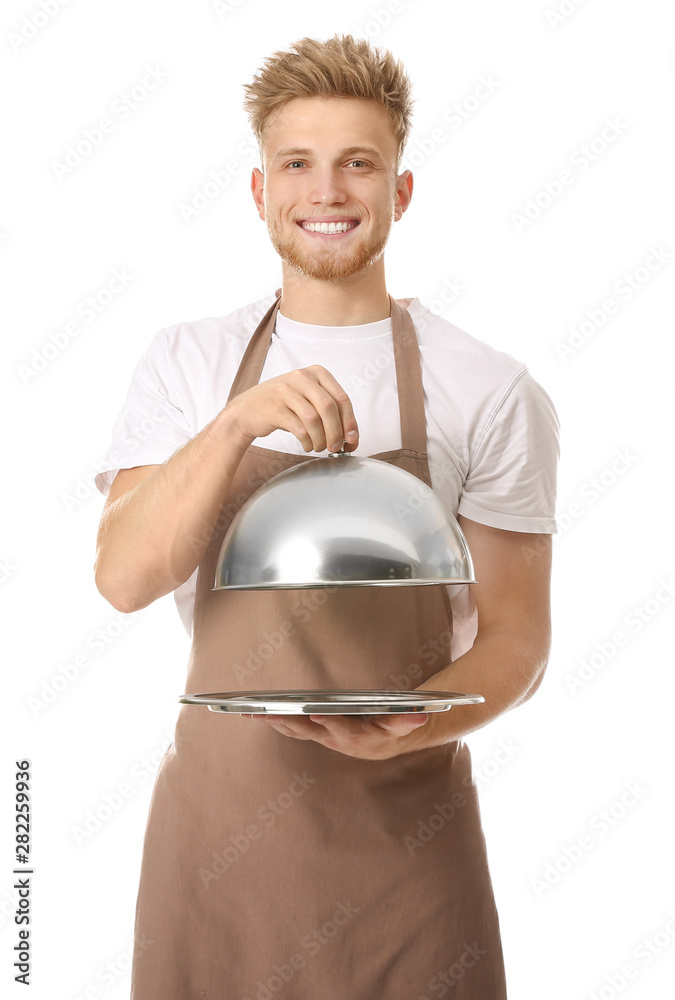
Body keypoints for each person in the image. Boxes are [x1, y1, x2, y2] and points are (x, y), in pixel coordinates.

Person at [94, 33, 559, 1000]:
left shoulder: (489, 388)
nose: (328, 191)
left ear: (401, 190)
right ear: (261, 192)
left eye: (360, 163)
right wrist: (235, 425)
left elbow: (519, 640)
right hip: (218, 837)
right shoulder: (186, 364)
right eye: (297, 163)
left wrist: (416, 728)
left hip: (411, 841)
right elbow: (123, 579)